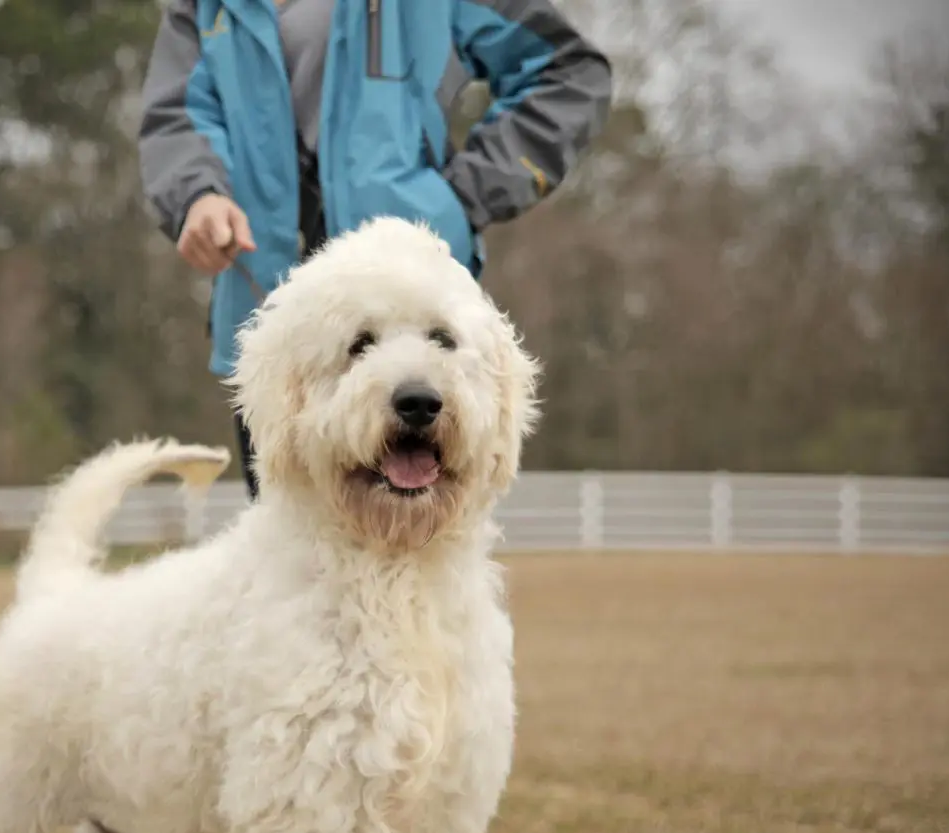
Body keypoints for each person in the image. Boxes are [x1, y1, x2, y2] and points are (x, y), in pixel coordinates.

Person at [138, 0, 612, 500]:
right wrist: (198, 195)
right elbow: (176, 117)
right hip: (272, 328)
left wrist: (464, 197)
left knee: (432, 558)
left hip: (415, 295)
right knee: (292, 561)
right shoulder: (197, 8)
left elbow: (568, 73)